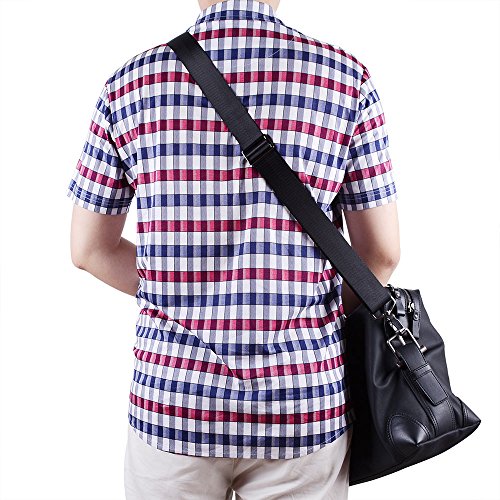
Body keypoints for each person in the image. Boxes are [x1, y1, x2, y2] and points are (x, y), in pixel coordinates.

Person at [66, 0, 400, 498]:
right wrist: (310, 314)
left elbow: (89, 249)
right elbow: (382, 255)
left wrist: (179, 294)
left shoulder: (130, 85)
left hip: (174, 399)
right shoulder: (345, 79)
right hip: (302, 400)